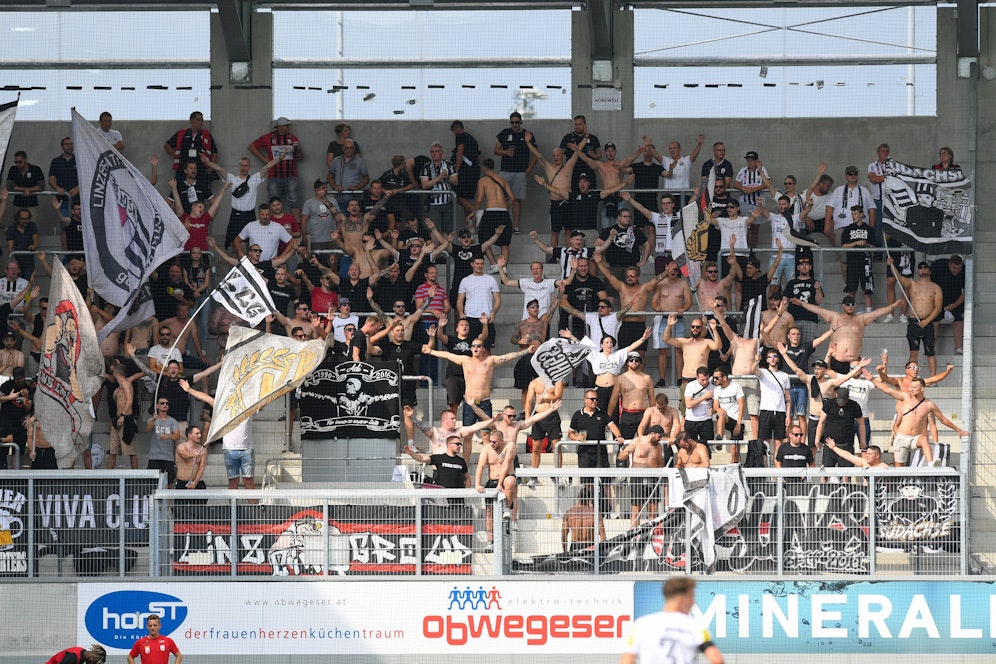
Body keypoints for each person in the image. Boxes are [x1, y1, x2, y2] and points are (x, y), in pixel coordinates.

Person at [620, 577, 724, 664]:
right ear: (680, 600)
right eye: (691, 597)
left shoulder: (642, 624)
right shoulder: (696, 626)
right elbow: (717, 659)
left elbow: (627, 659)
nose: (693, 602)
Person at [872, 374, 969, 467]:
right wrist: (872, 379)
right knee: (899, 469)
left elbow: (942, 419)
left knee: (924, 439)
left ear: (922, 388)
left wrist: (958, 430)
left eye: (914, 387)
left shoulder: (929, 404)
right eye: (910, 387)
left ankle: (931, 464)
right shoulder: (906, 397)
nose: (911, 389)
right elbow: (887, 390)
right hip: (902, 437)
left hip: (915, 438)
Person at [790, 295, 895, 374]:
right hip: (837, 359)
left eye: (852, 304)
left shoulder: (861, 319)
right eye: (848, 304)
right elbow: (817, 310)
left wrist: (893, 306)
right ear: (843, 306)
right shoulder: (835, 317)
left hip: (854, 361)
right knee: (836, 391)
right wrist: (802, 303)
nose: (850, 306)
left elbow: (878, 312)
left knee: (853, 391)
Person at [525, 131, 587, 255]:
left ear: (562, 156)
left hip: (568, 201)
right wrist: (527, 142)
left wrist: (586, 137)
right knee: (555, 230)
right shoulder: (549, 167)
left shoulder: (568, 165)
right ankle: (554, 254)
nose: (555, 157)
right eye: (554, 155)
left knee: (568, 230)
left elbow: (577, 152)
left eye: (558, 155)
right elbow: (537, 155)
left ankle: (570, 253)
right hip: (555, 202)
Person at [201, 154, 279, 248]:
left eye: (246, 165)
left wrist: (280, 157)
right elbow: (220, 169)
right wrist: (207, 162)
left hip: (249, 215)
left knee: (250, 244)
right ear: (239, 166)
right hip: (236, 215)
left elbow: (267, 166)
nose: (243, 168)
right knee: (235, 244)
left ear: (249, 167)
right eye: (241, 165)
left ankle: (250, 263)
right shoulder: (232, 179)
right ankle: (236, 263)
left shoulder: (254, 179)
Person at [888, 257, 944, 375]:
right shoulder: (912, 283)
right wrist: (892, 264)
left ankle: (933, 379)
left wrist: (927, 320)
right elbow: (899, 278)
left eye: (925, 267)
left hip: (927, 323)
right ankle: (912, 377)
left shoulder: (936, 287)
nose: (923, 269)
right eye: (920, 267)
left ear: (929, 271)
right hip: (914, 322)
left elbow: (938, 308)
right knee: (913, 352)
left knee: (930, 351)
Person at [568, 390, 625, 489]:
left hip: (601, 452)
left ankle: (608, 504)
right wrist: (576, 437)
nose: (594, 401)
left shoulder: (602, 413)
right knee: (587, 483)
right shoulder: (577, 415)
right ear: (585, 400)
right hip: (585, 453)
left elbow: (612, 426)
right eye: (592, 399)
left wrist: (619, 436)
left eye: (596, 399)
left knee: (606, 483)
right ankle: (589, 504)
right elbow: (570, 433)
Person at [248, 116, 303, 220]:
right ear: (280, 127)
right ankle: (271, 226)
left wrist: (299, 150)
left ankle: (297, 228)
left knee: (295, 202)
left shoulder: (293, 138)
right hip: (274, 176)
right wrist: (264, 159)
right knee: (273, 202)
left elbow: (300, 157)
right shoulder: (268, 137)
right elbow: (251, 146)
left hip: (291, 175)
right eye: (286, 126)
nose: (288, 128)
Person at [494, 111, 538, 233]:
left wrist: (529, 169)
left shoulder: (528, 135)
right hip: (505, 171)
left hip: (520, 172)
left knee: (517, 199)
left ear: (521, 122)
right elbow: (496, 150)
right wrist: (505, 152)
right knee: (502, 198)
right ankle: (501, 224)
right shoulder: (505, 133)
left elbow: (536, 154)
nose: (514, 125)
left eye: (517, 122)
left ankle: (516, 226)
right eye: (512, 122)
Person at [616, 425, 668, 527]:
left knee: (653, 513)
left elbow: (660, 463)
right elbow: (621, 457)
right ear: (652, 434)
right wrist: (627, 451)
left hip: (653, 478)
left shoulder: (658, 446)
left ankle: (652, 537)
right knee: (636, 512)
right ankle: (634, 538)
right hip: (637, 477)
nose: (660, 438)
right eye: (659, 436)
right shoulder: (637, 441)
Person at [475, 429, 520, 546]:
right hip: (492, 480)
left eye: (495, 442)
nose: (492, 444)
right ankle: (490, 540)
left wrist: (500, 484)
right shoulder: (487, 449)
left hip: (505, 478)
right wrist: (477, 484)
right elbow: (480, 467)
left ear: (501, 440)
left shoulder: (509, 446)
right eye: (490, 441)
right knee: (489, 511)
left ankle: (506, 508)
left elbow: (505, 466)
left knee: (510, 482)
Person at [164, 110, 218, 193]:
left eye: (201, 120)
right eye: (198, 120)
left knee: (200, 194)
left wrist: (211, 168)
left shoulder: (206, 134)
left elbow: (214, 152)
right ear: (191, 120)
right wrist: (175, 155)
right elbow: (167, 146)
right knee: (180, 192)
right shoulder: (182, 133)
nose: (200, 122)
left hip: (201, 170)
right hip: (183, 170)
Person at [664, 315, 722, 385]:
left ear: (702, 328)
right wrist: (669, 326)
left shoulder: (706, 342)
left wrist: (714, 329)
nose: (695, 328)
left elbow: (718, 346)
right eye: (693, 326)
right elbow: (666, 339)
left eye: (698, 327)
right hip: (685, 379)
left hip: (701, 380)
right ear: (690, 328)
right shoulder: (684, 342)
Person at [404, 434, 469, 489]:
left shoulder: (461, 461)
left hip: (457, 499)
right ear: (449, 444)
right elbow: (422, 458)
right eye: (457, 444)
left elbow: (467, 478)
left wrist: (466, 492)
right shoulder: (439, 458)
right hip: (442, 497)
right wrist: (411, 453)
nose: (459, 446)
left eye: (460, 444)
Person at [931, 254, 965, 355]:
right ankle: (931, 348)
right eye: (954, 268)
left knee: (958, 321)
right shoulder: (938, 266)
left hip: (956, 299)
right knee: (934, 322)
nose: (956, 270)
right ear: (949, 264)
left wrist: (954, 305)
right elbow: (930, 285)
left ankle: (958, 348)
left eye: (959, 268)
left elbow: (966, 292)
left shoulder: (965, 271)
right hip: (938, 299)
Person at [420, 141, 458, 230]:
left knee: (447, 231)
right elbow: (424, 185)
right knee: (434, 231)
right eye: (432, 152)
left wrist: (447, 177)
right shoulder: (426, 167)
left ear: (442, 152)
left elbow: (455, 181)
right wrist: (438, 178)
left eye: (437, 151)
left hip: (448, 202)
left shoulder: (449, 165)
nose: (434, 154)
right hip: (433, 204)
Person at [712, 366, 746, 463]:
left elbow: (742, 405)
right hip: (724, 418)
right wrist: (718, 410)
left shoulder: (736, 387)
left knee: (734, 451)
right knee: (721, 413)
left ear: (725, 377)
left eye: (717, 378)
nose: (715, 380)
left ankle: (733, 470)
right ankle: (719, 439)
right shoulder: (717, 390)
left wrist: (738, 424)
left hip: (736, 420)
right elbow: (715, 406)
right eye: (714, 377)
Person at [145, 396, 180, 486]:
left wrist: (167, 436)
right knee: (151, 481)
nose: (164, 405)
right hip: (154, 456)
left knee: (169, 481)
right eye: (162, 403)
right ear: (157, 406)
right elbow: (148, 430)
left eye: (166, 403)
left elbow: (177, 436)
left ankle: (168, 500)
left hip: (168, 456)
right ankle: (152, 499)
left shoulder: (172, 421)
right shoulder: (152, 419)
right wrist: (153, 419)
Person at [562, 486, 606, 552]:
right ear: (589, 499)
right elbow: (603, 537)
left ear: (578, 497)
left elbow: (564, 536)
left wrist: (565, 552)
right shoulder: (596, 514)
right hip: (590, 546)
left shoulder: (569, 513)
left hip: (575, 546)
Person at [48, 136, 79, 217]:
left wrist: (78, 188)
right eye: (67, 144)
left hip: (78, 200)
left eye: (71, 144)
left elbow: (86, 178)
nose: (70, 146)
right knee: (65, 223)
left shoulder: (79, 160)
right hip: (62, 199)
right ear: (62, 147)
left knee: (78, 224)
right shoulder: (56, 161)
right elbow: (51, 179)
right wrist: (57, 188)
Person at [824, 439, 889, 469]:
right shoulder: (864, 462)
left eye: (870, 454)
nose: (867, 456)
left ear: (877, 456)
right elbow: (847, 455)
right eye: (867, 453)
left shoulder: (884, 467)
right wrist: (834, 447)